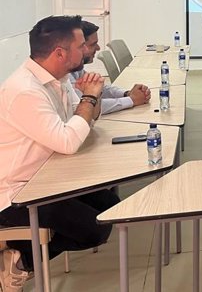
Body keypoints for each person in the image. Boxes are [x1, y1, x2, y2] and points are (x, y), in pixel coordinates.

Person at [0, 15, 119, 292]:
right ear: (60, 53)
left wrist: (93, 98)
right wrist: (89, 98)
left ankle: (19, 253)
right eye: (81, 46)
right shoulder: (24, 91)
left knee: (110, 204)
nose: (87, 51)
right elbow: (68, 140)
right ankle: (19, 260)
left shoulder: (59, 79)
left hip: (48, 177)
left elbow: (86, 120)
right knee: (95, 229)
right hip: (17, 194)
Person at [69, 21, 151, 114]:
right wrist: (131, 100)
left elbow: (100, 89)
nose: (98, 48)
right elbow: (85, 107)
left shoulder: (76, 68)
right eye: (93, 44)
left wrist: (127, 94)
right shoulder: (65, 76)